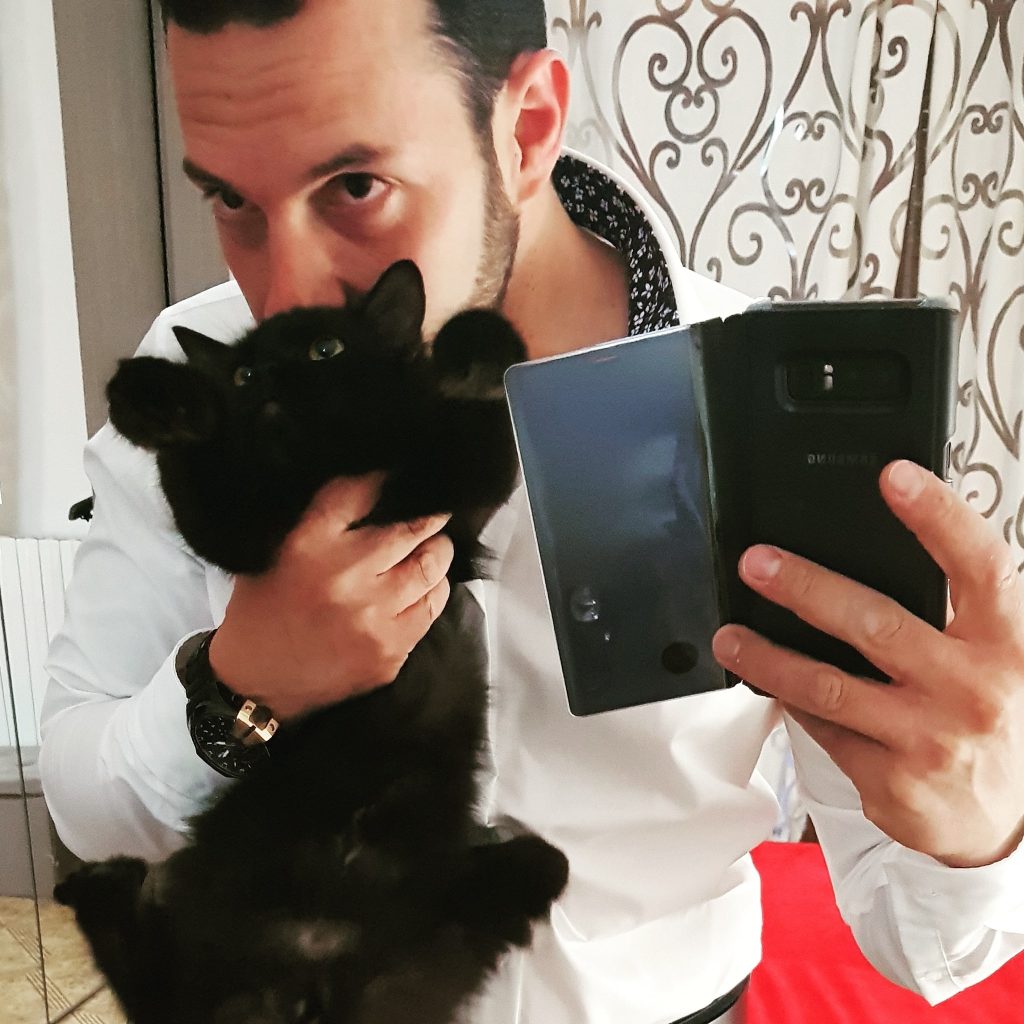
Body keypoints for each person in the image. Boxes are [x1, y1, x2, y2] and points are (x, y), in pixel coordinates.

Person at [40, 2, 1024, 1022]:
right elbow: (83, 798)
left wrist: (985, 826)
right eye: (231, 199)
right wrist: (243, 684)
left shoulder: (749, 402)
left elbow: (918, 939)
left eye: (355, 187)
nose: (282, 294)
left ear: (529, 126)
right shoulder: (204, 376)